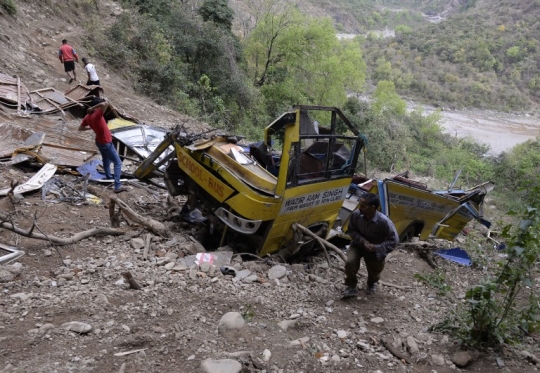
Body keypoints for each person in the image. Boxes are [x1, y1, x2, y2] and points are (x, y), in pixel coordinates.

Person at [342, 192, 398, 297]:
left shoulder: (384, 222)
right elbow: (352, 231)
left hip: (376, 249)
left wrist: (376, 247)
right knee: (350, 263)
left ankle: (371, 283)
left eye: (363, 206)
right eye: (360, 204)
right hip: (358, 245)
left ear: (372, 208)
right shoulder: (356, 215)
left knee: (375, 271)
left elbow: (394, 241)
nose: (359, 207)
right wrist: (363, 241)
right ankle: (351, 286)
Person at [78, 100, 128, 193]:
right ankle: (117, 186)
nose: (98, 107)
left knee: (106, 159)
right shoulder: (97, 114)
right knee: (118, 163)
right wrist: (93, 108)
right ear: (95, 107)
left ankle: (109, 177)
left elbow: (80, 128)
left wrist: (91, 127)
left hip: (100, 142)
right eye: (97, 106)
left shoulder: (87, 117)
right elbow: (106, 104)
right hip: (105, 142)